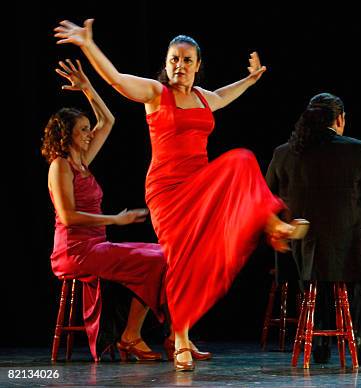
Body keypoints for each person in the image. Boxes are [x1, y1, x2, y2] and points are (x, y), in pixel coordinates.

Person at [54, 19, 307, 371]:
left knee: (241, 160)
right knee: (180, 259)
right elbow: (116, 79)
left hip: (199, 185)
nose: (180, 66)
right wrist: (87, 45)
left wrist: (250, 80)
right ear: (166, 62)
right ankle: (182, 340)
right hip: (167, 191)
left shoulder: (204, 98)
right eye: (174, 59)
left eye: (187, 61)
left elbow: (223, 95)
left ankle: (272, 224)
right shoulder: (157, 94)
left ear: (198, 66)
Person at [43, 59, 167, 361]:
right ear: (67, 134)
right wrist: (117, 219)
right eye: (83, 130)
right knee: (157, 261)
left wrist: (87, 87)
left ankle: (150, 335)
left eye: (88, 129)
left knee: (166, 253)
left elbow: (108, 120)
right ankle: (131, 336)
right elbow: (69, 215)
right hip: (75, 251)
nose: (89, 133)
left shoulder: (82, 162)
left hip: (96, 246)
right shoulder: (60, 166)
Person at [266, 93, 361, 365]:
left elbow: (265, 200)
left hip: (301, 257)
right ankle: (359, 335)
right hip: (351, 255)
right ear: (340, 119)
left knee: (319, 269)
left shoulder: (283, 153)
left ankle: (319, 338)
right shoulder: (357, 150)